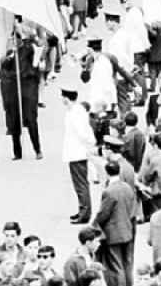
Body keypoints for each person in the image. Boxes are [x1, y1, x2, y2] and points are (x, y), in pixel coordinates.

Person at [0, 29, 42, 161]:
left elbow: (37, 53)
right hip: (13, 90)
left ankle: (37, 149)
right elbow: (4, 68)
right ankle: (17, 152)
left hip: (27, 88)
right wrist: (9, 57)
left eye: (15, 39)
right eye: (11, 40)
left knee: (30, 119)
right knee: (14, 121)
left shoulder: (28, 49)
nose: (13, 42)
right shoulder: (10, 54)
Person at [92, 160, 136, 286]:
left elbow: (103, 214)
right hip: (127, 230)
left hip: (113, 233)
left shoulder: (109, 191)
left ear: (106, 173)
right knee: (127, 264)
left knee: (116, 266)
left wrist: (93, 225)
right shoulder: (127, 187)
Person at [61, 88, 96, 224]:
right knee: (79, 184)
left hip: (77, 152)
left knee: (81, 185)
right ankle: (82, 209)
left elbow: (83, 133)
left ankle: (85, 212)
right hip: (74, 152)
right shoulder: (75, 111)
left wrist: (88, 145)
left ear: (66, 98)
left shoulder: (75, 113)